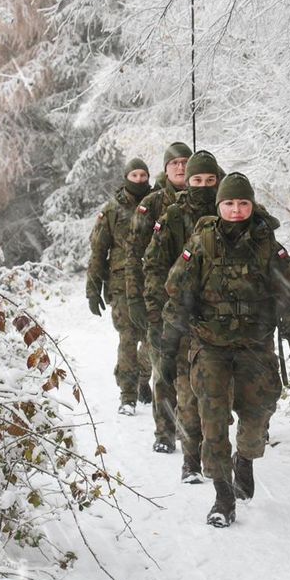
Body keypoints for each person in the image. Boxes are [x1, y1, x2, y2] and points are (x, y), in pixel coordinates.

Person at [161, 172, 290, 527]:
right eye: (229, 203)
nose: (236, 209)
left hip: (255, 347)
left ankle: (245, 459)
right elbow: (177, 298)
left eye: (243, 203)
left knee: (258, 415)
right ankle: (223, 497)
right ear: (219, 205)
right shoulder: (200, 244)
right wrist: (168, 350)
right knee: (212, 423)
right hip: (210, 348)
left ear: (251, 204)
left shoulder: (267, 246)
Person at [142, 150, 221, 468]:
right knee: (167, 372)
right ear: (187, 182)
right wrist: (155, 311)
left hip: (213, 316)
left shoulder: (226, 212)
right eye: (197, 180)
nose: (203, 186)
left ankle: (204, 438)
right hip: (173, 311)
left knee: (208, 381)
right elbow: (153, 265)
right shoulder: (172, 216)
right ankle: (165, 430)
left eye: (210, 180)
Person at [125, 141, 193, 406]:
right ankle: (164, 430)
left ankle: (186, 421)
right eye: (174, 163)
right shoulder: (152, 203)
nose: (180, 167)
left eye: (185, 162)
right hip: (158, 293)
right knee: (159, 355)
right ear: (166, 168)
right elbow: (133, 254)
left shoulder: (210, 197)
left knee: (189, 361)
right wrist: (134, 299)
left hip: (194, 295)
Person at [86, 157, 154, 415]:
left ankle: (142, 377)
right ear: (126, 177)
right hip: (121, 285)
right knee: (128, 338)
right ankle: (127, 395)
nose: (139, 180)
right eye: (134, 175)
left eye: (143, 175)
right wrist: (92, 288)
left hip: (153, 283)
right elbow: (98, 250)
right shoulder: (112, 210)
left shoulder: (157, 203)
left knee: (152, 339)